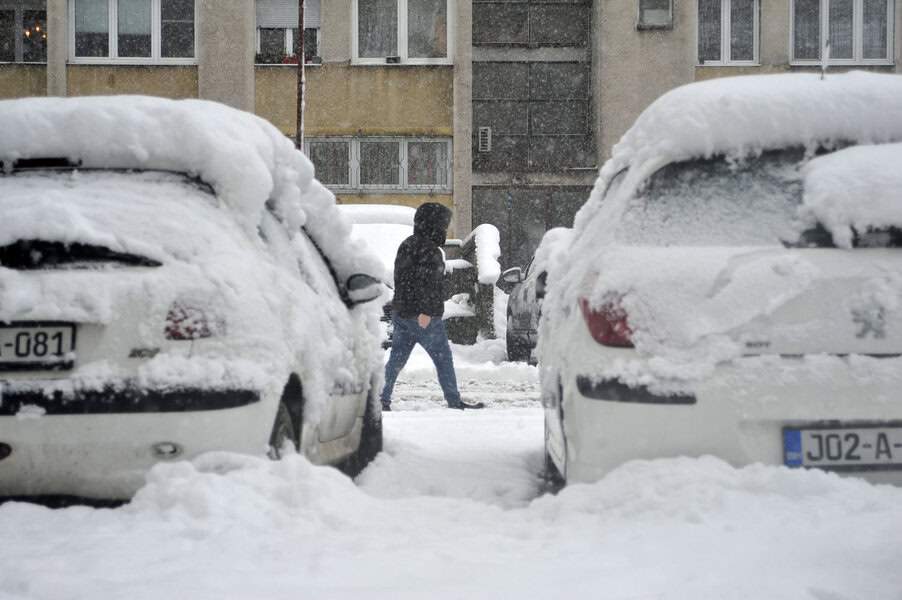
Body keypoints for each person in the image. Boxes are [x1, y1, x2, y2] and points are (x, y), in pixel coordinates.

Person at [380, 203, 484, 411]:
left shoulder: (407, 244)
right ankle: (454, 401)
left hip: (402, 313)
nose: (445, 229)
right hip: (424, 317)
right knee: (443, 360)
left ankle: (382, 398)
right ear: (434, 225)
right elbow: (427, 286)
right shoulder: (430, 251)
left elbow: (403, 280)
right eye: (443, 224)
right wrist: (426, 313)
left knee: (396, 361)